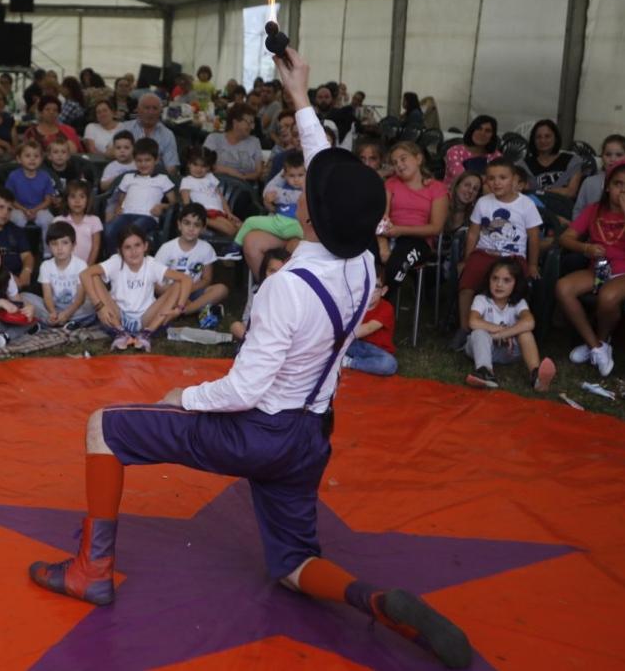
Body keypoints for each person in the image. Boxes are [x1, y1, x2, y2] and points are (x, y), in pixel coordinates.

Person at [28, 44, 472, 671]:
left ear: (310, 216)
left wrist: (179, 398)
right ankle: (369, 600)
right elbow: (332, 176)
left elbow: (244, 388)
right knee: (292, 565)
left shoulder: (289, 285)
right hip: (311, 435)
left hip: (258, 430)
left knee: (105, 427)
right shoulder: (364, 261)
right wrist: (299, 97)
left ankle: (89, 571)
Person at [556, 161, 625, 377]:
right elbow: (566, 237)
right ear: (608, 186)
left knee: (608, 297)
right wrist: (586, 247)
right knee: (564, 287)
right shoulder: (594, 210)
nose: (624, 190)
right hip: (602, 269)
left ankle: (600, 341)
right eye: (618, 184)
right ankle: (597, 346)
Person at [453, 160, 542, 345]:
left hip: (513, 256)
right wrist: (467, 259)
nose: (496, 182)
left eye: (502, 177)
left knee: (513, 288)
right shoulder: (483, 203)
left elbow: (533, 237)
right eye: (491, 178)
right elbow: (473, 233)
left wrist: (532, 264)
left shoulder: (526, 204)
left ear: (514, 179)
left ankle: (510, 330)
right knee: (466, 285)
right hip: (485, 252)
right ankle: (465, 328)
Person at [81, 224, 191, 352]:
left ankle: (146, 334)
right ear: (120, 251)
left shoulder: (151, 264)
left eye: (137, 245)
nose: (133, 252)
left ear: (145, 246)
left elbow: (186, 279)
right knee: (94, 276)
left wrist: (179, 308)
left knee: (177, 284)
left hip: (146, 318)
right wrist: (99, 306)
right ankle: (120, 333)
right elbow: (84, 274)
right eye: (127, 247)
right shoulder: (116, 261)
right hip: (118, 316)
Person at [464, 258, 555, 392]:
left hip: (510, 352)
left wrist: (502, 334)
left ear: (516, 284)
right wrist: (501, 330)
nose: (499, 284)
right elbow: (473, 322)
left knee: (525, 333)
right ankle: (485, 372)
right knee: (478, 333)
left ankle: (536, 376)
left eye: (506, 280)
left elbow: (529, 322)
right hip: (482, 349)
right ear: (488, 280)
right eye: (495, 278)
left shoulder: (519, 303)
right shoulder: (482, 299)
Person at [382, 141, 449, 293]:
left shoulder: (437, 188)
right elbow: (383, 217)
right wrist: (383, 246)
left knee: (396, 263)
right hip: (388, 235)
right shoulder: (391, 183)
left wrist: (400, 230)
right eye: (394, 162)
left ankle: (380, 307)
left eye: (403, 158)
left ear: (418, 159)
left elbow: (436, 228)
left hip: (418, 241)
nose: (399, 164)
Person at [154, 203, 228, 327]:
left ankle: (184, 311)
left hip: (194, 290)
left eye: (196, 225)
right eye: (187, 223)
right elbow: (156, 278)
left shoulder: (206, 248)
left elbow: (206, 279)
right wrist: (180, 292)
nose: (191, 228)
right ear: (179, 225)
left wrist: (188, 290)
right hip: (171, 291)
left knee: (221, 289)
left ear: (203, 228)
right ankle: (197, 309)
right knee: (158, 287)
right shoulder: (167, 248)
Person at [234, 150, 307, 273]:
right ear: (285, 174)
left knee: (303, 247)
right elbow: (267, 193)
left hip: (299, 227)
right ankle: (235, 248)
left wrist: (280, 196)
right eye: (292, 176)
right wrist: (270, 203)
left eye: (300, 175)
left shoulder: (311, 185)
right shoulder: (283, 171)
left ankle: (293, 287)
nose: (296, 180)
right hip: (278, 222)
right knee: (250, 225)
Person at [105, 137, 175, 244]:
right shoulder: (128, 177)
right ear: (134, 160)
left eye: (147, 160)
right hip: (126, 214)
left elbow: (173, 202)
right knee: (109, 230)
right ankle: (116, 257)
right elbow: (121, 198)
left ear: (156, 160)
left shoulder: (162, 179)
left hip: (148, 217)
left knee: (133, 231)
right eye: (139, 160)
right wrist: (118, 207)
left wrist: (162, 206)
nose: (143, 164)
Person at [39, 221, 96, 330]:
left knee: (93, 304)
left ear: (73, 245)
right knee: (25, 297)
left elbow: (80, 298)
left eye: (65, 243)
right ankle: (61, 322)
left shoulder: (81, 265)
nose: (59, 248)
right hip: (54, 308)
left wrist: (67, 313)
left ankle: (55, 323)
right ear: (49, 246)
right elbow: (47, 296)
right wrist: (52, 312)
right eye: (54, 243)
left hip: (76, 309)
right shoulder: (45, 266)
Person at [230, 247, 290, 342]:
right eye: (272, 271)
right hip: (257, 335)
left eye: (281, 272)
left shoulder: (293, 294)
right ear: (264, 271)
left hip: (281, 337)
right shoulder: (256, 292)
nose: (276, 276)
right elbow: (246, 319)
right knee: (236, 326)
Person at [180, 147, 240, 238]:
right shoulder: (187, 181)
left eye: (203, 166)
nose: (199, 169)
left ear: (209, 167)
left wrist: (229, 213)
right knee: (231, 231)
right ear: (189, 164)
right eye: (195, 165)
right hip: (205, 212)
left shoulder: (210, 177)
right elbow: (186, 203)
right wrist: (192, 216)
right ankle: (202, 220)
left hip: (220, 212)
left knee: (241, 226)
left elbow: (220, 197)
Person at [341, 280, 397, 376]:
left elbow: (368, 328)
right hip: (354, 345)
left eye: (375, 286)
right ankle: (344, 358)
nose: (370, 290)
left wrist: (336, 334)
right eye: (367, 285)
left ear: (383, 291)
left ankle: (348, 362)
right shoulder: (354, 304)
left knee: (389, 364)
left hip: (377, 351)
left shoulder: (386, 308)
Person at [523, 119, 582, 204]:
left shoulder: (572, 161)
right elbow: (524, 192)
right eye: (538, 137)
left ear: (556, 138)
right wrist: (558, 191)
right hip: (535, 208)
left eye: (547, 136)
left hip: (563, 208)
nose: (543, 140)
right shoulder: (524, 165)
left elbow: (571, 192)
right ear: (533, 140)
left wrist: (542, 192)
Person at [204, 104, 264, 182]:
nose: (252, 127)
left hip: (242, 187)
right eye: (249, 123)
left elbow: (258, 172)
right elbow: (203, 165)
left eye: (253, 123)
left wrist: (241, 178)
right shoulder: (214, 139)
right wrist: (229, 171)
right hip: (213, 186)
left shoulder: (254, 142)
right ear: (235, 123)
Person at [574, 135, 625, 214]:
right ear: (602, 157)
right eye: (608, 154)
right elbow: (578, 211)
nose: (612, 159)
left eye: (619, 155)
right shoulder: (589, 183)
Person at [127, 94, 179, 175]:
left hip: (156, 179)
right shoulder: (125, 128)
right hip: (128, 177)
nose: (151, 112)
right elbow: (111, 153)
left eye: (155, 108)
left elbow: (171, 167)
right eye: (147, 108)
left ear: (160, 112)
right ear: (138, 110)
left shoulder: (168, 134)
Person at [54, 180, 102, 265]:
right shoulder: (58, 221)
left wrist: (86, 269)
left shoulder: (94, 220)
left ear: (88, 200)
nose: (77, 201)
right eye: (73, 197)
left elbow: (96, 247)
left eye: (82, 197)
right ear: (66, 200)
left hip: (87, 268)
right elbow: (54, 246)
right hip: (63, 267)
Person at [444, 116, 500, 185]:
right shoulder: (454, 151)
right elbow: (463, 177)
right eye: (478, 129)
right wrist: (489, 178)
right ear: (472, 130)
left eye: (487, 131)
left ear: (493, 136)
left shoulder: (496, 156)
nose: (482, 133)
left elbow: (500, 178)